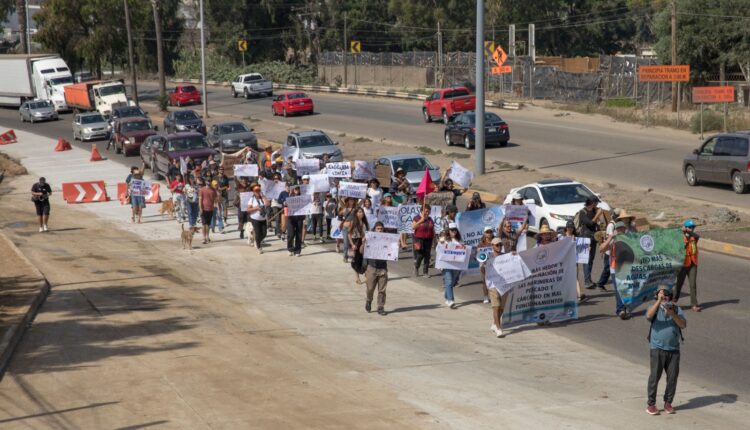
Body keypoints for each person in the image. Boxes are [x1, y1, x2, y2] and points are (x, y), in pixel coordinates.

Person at [645, 285, 686, 415]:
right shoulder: (654, 308)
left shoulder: (677, 309)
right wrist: (658, 302)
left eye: (666, 294)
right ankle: (651, 404)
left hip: (673, 349)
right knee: (655, 377)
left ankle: (668, 403)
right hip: (657, 348)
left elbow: (683, 325)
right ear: (656, 295)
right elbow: (648, 316)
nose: (664, 296)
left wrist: (673, 314)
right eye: (661, 294)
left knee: (672, 377)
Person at [599, 220, 630, 319]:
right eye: (618, 229)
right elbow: (601, 249)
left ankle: (625, 308)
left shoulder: (629, 238)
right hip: (614, 268)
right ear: (616, 230)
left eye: (622, 228)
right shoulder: (613, 240)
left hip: (627, 268)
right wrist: (610, 238)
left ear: (625, 229)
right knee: (618, 290)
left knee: (627, 289)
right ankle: (620, 310)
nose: (620, 230)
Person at [576, 197, 605, 288]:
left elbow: (597, 224)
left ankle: (589, 280)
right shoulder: (583, 212)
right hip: (585, 238)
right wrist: (597, 215)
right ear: (592, 203)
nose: (597, 205)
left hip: (593, 237)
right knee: (586, 260)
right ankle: (587, 281)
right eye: (596, 203)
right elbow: (589, 223)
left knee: (591, 259)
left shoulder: (595, 211)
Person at [673, 219, 701, 312]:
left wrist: (689, 232)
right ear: (685, 227)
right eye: (689, 227)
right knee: (679, 284)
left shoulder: (694, 237)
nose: (691, 229)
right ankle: (674, 299)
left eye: (692, 227)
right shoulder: (679, 237)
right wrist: (682, 232)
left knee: (693, 284)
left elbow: (697, 236)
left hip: (693, 263)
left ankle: (694, 304)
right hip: (683, 264)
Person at [364, 221, 389, 315]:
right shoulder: (370, 239)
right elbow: (362, 251)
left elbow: (392, 252)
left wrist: (396, 245)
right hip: (372, 267)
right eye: (378, 229)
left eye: (381, 229)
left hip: (382, 268)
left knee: (382, 289)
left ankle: (380, 307)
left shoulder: (387, 240)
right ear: (374, 230)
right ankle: (368, 300)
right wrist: (364, 242)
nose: (380, 230)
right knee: (370, 288)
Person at [486, 236, 509, 337]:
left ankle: (495, 323)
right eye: (497, 245)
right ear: (492, 246)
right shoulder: (487, 257)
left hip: (504, 284)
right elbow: (482, 271)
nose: (499, 246)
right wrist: (482, 265)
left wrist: (514, 255)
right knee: (496, 306)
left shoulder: (506, 256)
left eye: (500, 245)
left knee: (502, 308)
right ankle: (498, 328)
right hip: (493, 284)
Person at [562, 221, 588, 303]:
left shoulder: (576, 238)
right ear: (566, 228)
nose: (570, 229)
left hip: (573, 260)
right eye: (569, 227)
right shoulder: (561, 237)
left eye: (572, 227)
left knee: (575, 277)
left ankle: (579, 295)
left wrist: (587, 249)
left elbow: (581, 248)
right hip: (564, 261)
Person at [441, 223, 464, 309]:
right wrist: (441, 243)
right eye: (452, 230)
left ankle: (447, 295)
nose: (454, 231)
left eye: (455, 230)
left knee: (452, 282)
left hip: (456, 265)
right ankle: (451, 300)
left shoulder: (459, 240)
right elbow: (438, 250)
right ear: (448, 231)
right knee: (449, 281)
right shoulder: (444, 239)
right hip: (447, 264)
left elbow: (464, 250)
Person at [411, 205, 435, 277]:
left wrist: (434, 239)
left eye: (428, 211)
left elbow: (432, 229)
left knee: (427, 255)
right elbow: (413, 227)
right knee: (420, 254)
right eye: (425, 211)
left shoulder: (430, 219)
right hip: (419, 238)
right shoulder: (417, 218)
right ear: (421, 211)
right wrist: (420, 221)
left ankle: (425, 272)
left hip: (429, 239)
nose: (427, 213)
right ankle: (416, 266)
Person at [348, 207, 369, 284]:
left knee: (364, 260)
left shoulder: (364, 223)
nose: (361, 213)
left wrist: (364, 243)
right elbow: (349, 234)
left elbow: (366, 234)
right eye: (359, 212)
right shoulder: (352, 222)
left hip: (362, 242)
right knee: (356, 261)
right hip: (355, 242)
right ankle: (357, 278)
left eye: (362, 212)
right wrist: (352, 244)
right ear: (356, 213)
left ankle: (366, 275)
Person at [246, 184, 268, 253]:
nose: (258, 192)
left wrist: (263, 196)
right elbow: (248, 209)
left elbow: (267, 204)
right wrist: (256, 208)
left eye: (259, 190)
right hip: (255, 219)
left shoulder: (262, 198)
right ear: (254, 192)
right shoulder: (252, 199)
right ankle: (259, 246)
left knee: (264, 233)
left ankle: (257, 241)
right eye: (256, 191)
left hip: (263, 218)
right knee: (258, 233)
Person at [286, 186, 305, 257]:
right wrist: (290, 194)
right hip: (291, 217)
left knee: (298, 234)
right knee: (291, 234)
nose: (296, 190)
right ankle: (290, 249)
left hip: (300, 217)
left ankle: (297, 250)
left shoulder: (303, 196)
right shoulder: (290, 196)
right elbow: (286, 205)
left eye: (298, 189)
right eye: (295, 189)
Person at [198, 177, 218, 244]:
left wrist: (216, 205)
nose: (208, 182)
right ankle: (204, 237)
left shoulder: (213, 190)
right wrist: (200, 208)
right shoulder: (202, 189)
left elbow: (216, 199)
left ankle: (207, 236)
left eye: (209, 181)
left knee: (208, 224)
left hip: (211, 209)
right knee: (204, 224)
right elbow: (200, 199)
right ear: (205, 181)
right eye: (207, 181)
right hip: (204, 209)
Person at [477, 226, 495, 303]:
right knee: (484, 281)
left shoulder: (495, 242)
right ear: (484, 233)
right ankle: (485, 296)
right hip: (484, 264)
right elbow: (479, 254)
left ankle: (494, 296)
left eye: (490, 232)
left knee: (494, 280)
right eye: (487, 232)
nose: (489, 234)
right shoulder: (481, 243)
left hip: (494, 264)